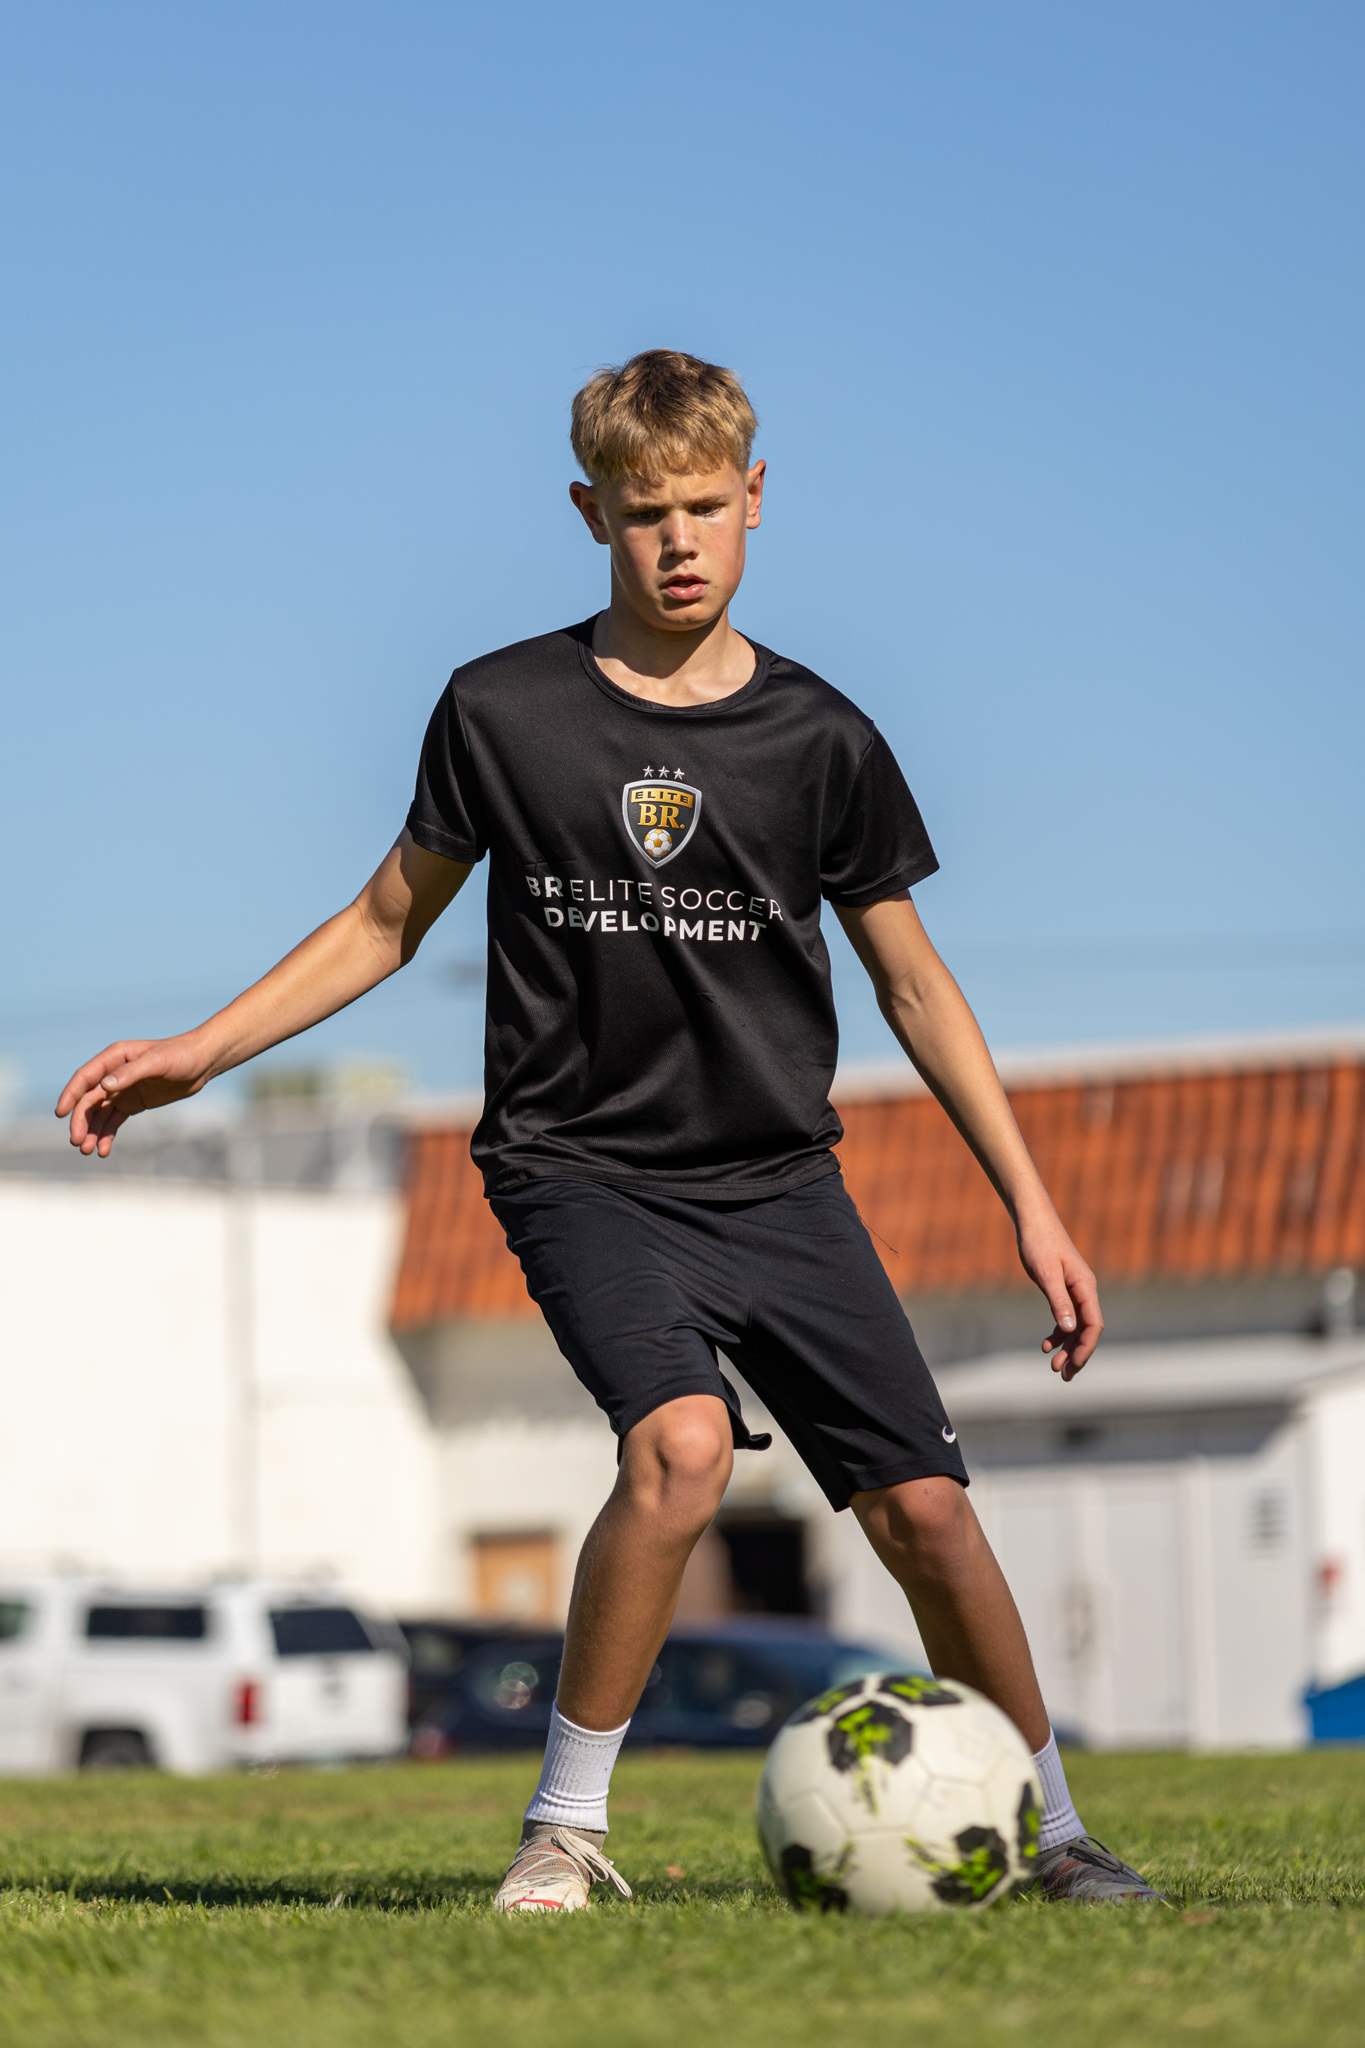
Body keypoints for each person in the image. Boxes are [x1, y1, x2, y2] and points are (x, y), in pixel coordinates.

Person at [58, 348, 1162, 1910]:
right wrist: (199, 1053)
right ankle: (563, 1830)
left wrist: (1031, 1209)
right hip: (576, 1168)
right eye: (645, 514)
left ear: (756, 498)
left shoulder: (823, 738)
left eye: (704, 505)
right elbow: (383, 920)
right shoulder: (500, 709)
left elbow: (914, 988)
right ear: (591, 514)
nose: (678, 541)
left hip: (774, 1181)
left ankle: (1052, 1834)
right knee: (681, 1446)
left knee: (923, 1509)